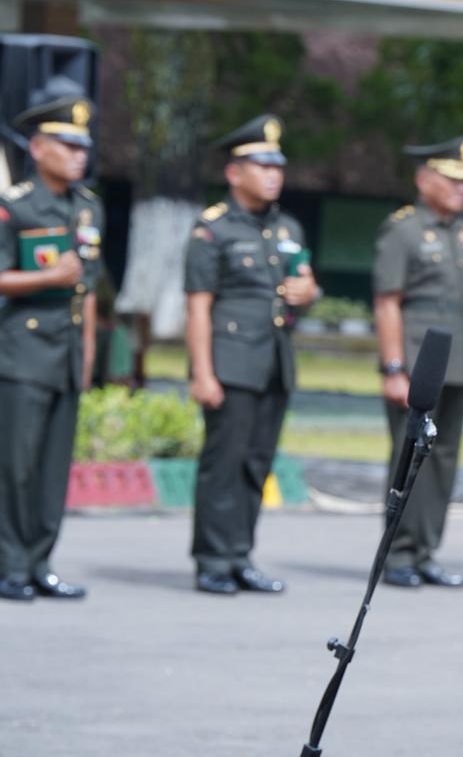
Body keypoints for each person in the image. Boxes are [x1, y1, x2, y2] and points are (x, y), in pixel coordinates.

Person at [184, 114, 317, 595]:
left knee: (256, 463)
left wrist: (308, 292)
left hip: (274, 363)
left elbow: (301, 285)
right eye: (260, 165)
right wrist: (202, 373)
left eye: (276, 166)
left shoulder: (287, 227)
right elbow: (198, 308)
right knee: (224, 463)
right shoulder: (212, 230)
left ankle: (240, 554)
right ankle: (212, 560)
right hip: (230, 362)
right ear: (234, 173)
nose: (272, 174)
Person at [372, 136, 463, 589]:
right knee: (410, 460)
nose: (460, 189)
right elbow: (387, 302)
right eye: (450, 179)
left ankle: (426, 550)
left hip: (457, 363)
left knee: (444, 459)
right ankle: (399, 555)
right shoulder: (403, 230)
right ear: (424, 179)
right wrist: (392, 367)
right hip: (415, 364)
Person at [0, 92, 102, 602]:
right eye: (67, 145)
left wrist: (86, 355)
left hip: (65, 355)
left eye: (83, 146)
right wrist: (44, 276)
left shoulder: (88, 208)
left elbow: (88, 290)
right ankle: (9, 564)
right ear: (38, 148)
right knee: (14, 465)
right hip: (22, 351)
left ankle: (40, 561)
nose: (79, 155)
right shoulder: (14, 203)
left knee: (53, 466)